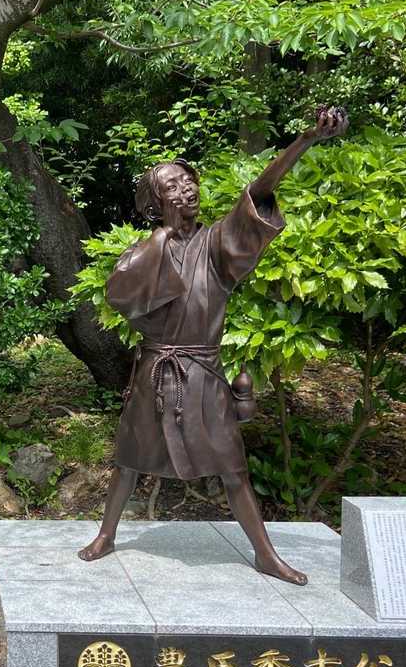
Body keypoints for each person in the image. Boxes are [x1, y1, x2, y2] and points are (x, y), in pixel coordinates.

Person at [77, 106, 350, 585]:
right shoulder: (143, 251)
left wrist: (305, 140)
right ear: (155, 203)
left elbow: (258, 194)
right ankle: (107, 534)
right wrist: (162, 238)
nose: (187, 189)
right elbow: (120, 293)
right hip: (156, 372)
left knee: (232, 466)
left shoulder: (218, 244)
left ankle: (265, 554)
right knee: (129, 459)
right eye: (173, 186)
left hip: (202, 372)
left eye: (189, 181)